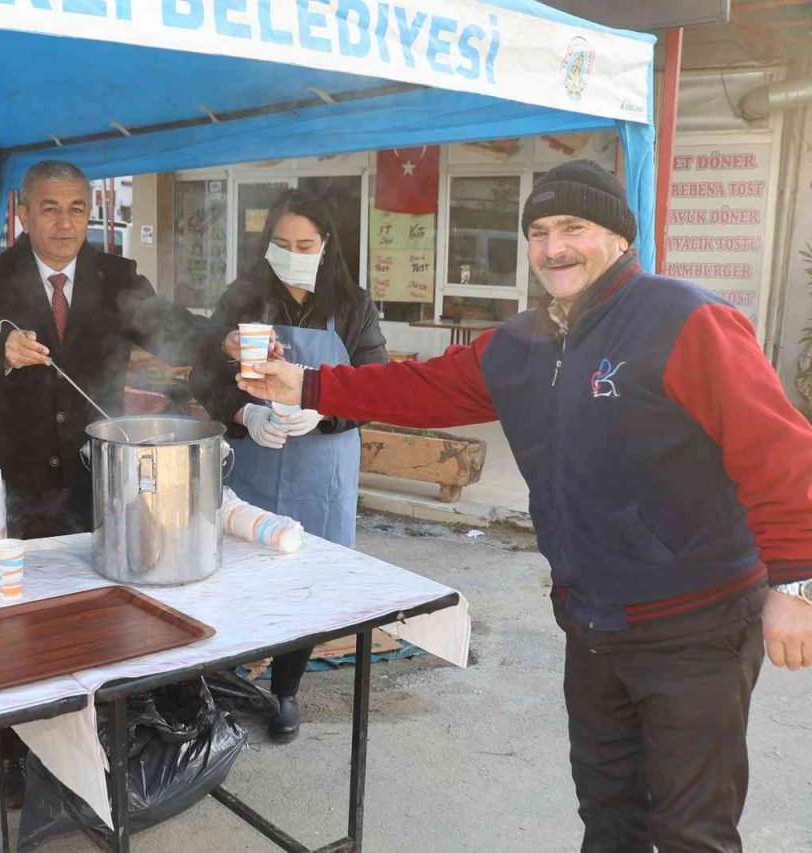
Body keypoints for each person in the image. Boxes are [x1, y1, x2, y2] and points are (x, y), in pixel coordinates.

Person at [237, 159, 812, 851]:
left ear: (620, 238)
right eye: (538, 231)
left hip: (696, 626)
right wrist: (302, 384)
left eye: (574, 226)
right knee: (607, 814)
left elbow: (779, 449)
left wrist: (795, 581)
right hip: (592, 623)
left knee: (693, 830)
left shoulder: (684, 319)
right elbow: (418, 387)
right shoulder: (525, 342)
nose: (553, 247)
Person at [0, 160, 234, 539]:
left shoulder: (116, 277)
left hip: (98, 485)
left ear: (89, 213)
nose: (65, 223)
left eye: (76, 209)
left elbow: (172, 329)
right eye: (49, 208)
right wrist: (0, 352)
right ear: (25, 215)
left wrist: (224, 340)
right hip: (15, 491)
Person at [191, 189, 385, 743]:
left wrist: (322, 412)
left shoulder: (352, 305)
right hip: (253, 463)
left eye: (304, 244)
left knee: (307, 584)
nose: (292, 252)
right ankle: (222, 684)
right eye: (281, 243)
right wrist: (243, 412)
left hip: (321, 473)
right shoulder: (243, 300)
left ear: (325, 246)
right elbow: (203, 375)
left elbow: (374, 388)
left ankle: (285, 691)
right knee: (239, 574)